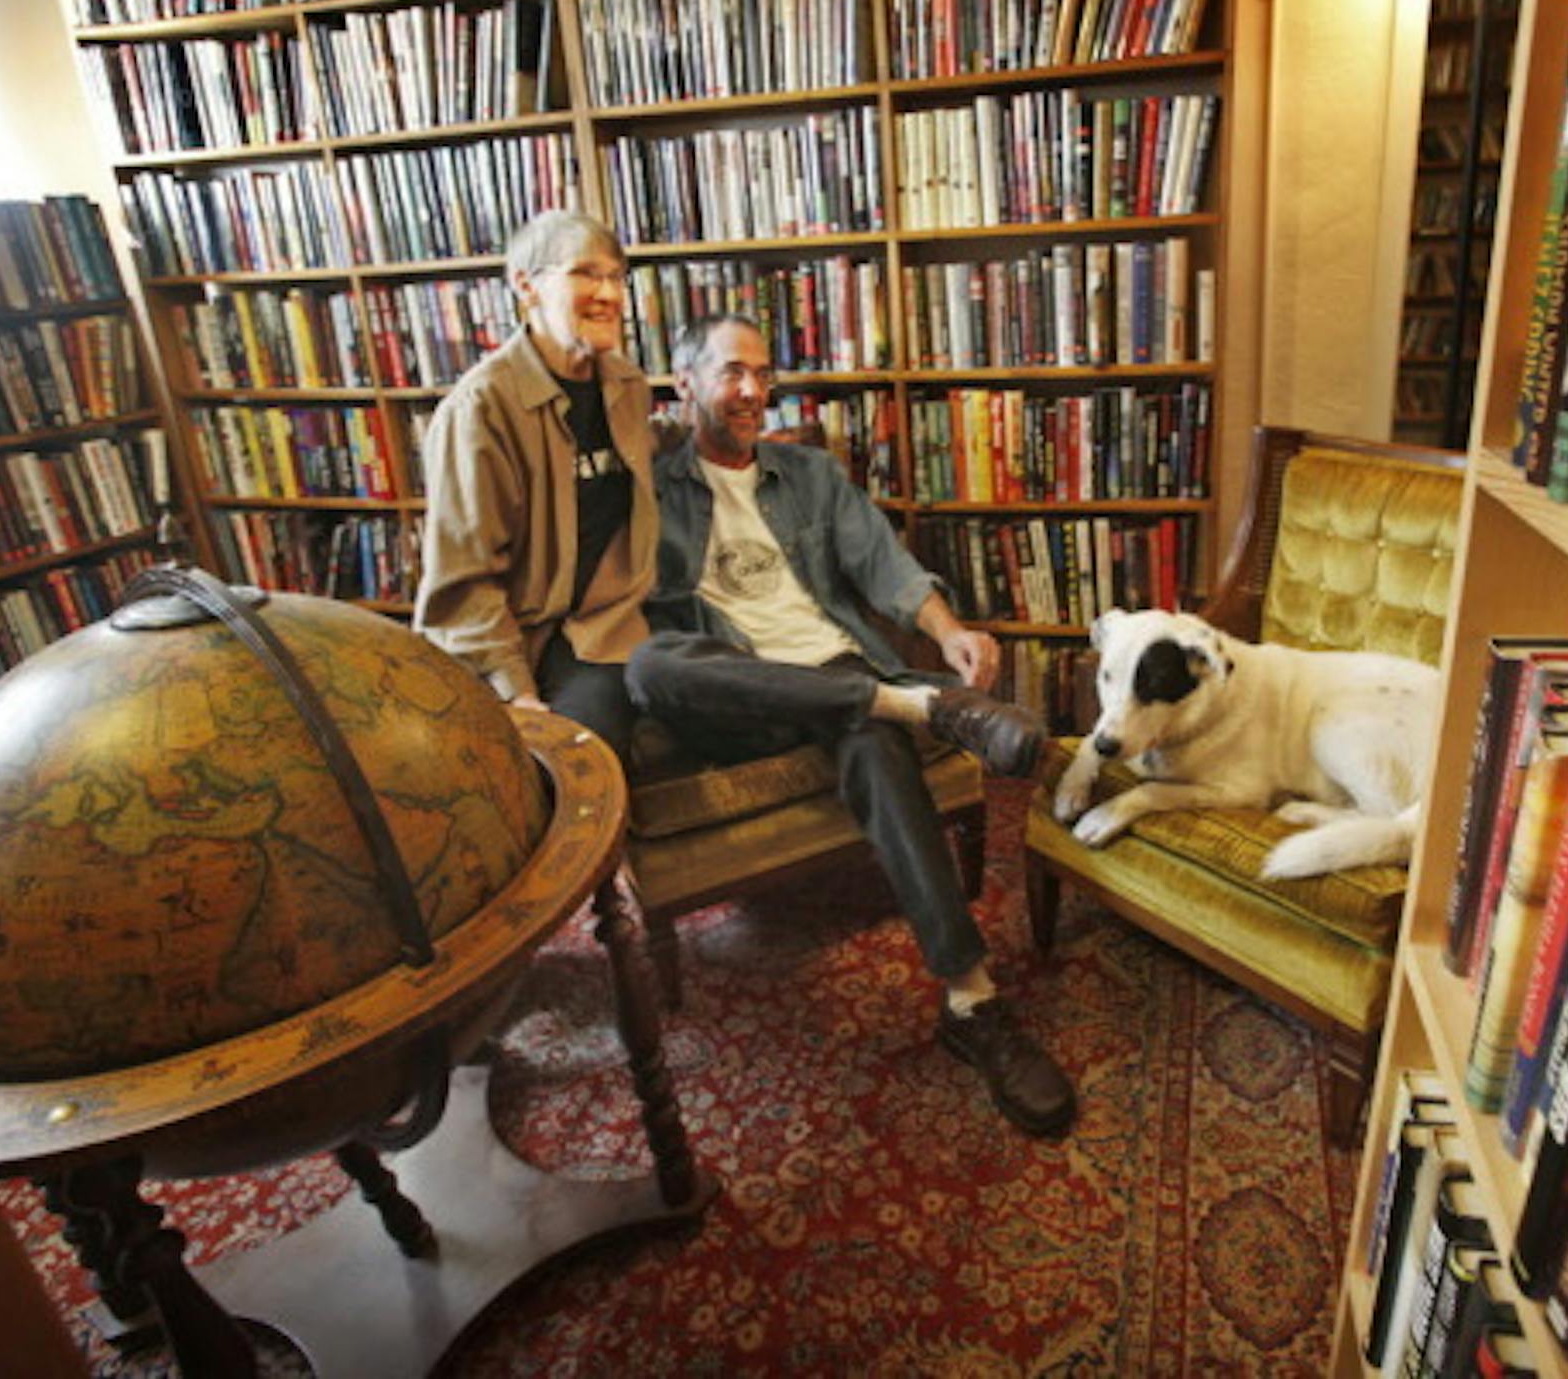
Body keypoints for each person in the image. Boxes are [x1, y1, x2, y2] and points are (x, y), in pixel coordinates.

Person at [625, 313, 1077, 1137]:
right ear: (684, 383)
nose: (753, 391)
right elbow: (609, 607)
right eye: (731, 373)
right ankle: (920, 703)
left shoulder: (810, 474)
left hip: (839, 677)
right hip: (742, 698)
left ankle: (971, 999)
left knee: (874, 737)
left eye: (763, 373)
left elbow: (885, 565)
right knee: (651, 664)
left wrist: (949, 632)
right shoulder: (647, 495)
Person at [414, 211, 654, 762]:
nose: (608, 294)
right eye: (585, 273)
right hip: (517, 636)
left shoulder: (629, 386)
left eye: (617, 277)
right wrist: (514, 691)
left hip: (605, 624)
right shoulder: (480, 408)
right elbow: (464, 582)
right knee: (566, 767)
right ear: (526, 285)